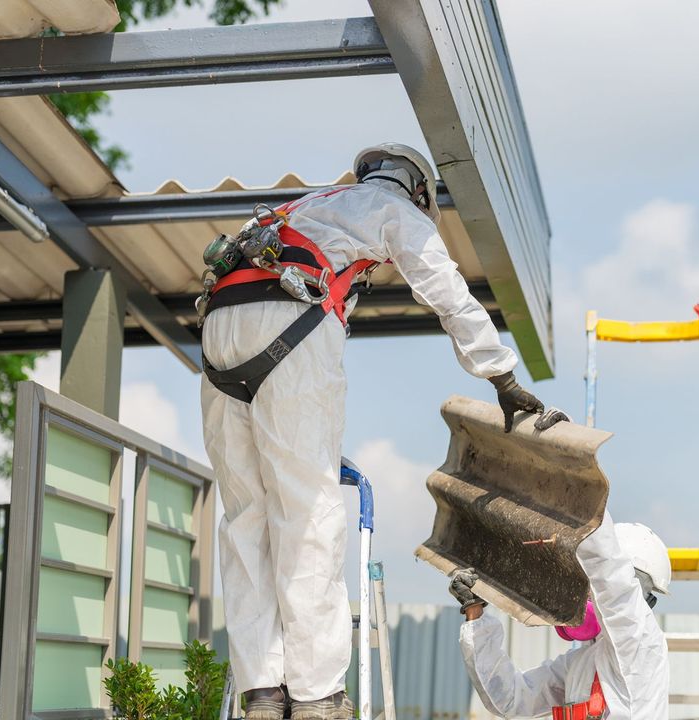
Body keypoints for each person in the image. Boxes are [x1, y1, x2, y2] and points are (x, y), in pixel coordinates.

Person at [199, 143, 544, 720]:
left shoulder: (304, 206)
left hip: (218, 337)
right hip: (289, 325)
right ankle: (314, 698)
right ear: (416, 191)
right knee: (307, 512)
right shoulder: (388, 208)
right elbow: (447, 290)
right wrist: (502, 377)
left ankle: (261, 691)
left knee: (246, 518)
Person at [449, 512, 671, 720]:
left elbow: (609, 576)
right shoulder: (581, 664)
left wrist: (582, 504)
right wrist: (475, 612)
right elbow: (511, 699)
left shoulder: (640, 644)